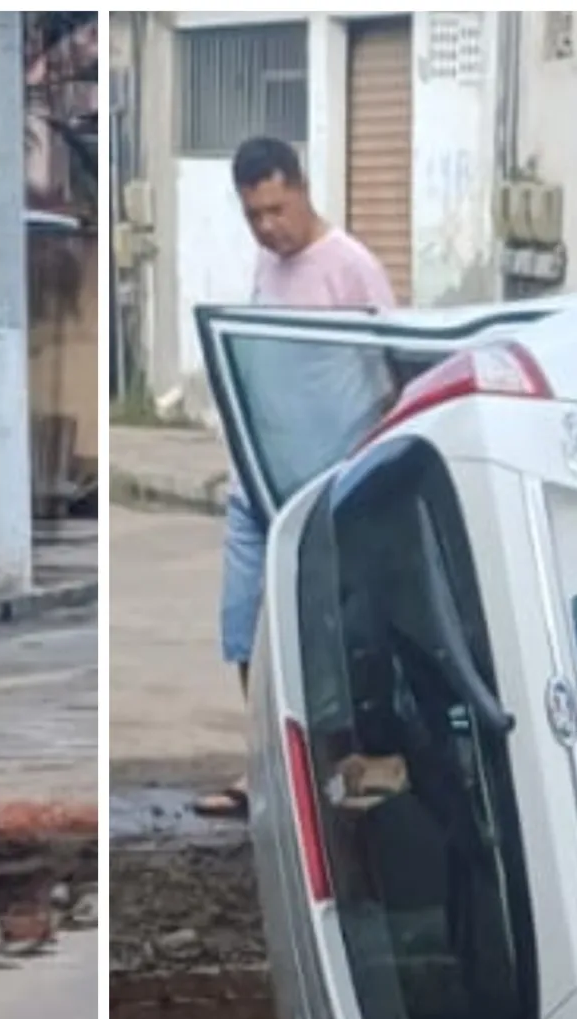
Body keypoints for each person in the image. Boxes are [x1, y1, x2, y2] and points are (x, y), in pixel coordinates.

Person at [196, 136, 400, 819]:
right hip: (258, 483)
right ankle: (266, 769)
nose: (267, 227)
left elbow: (389, 374)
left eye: (276, 210)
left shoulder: (351, 269)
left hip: (323, 486)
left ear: (303, 189)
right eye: (253, 214)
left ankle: (333, 765)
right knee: (243, 624)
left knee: (328, 633)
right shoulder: (264, 263)